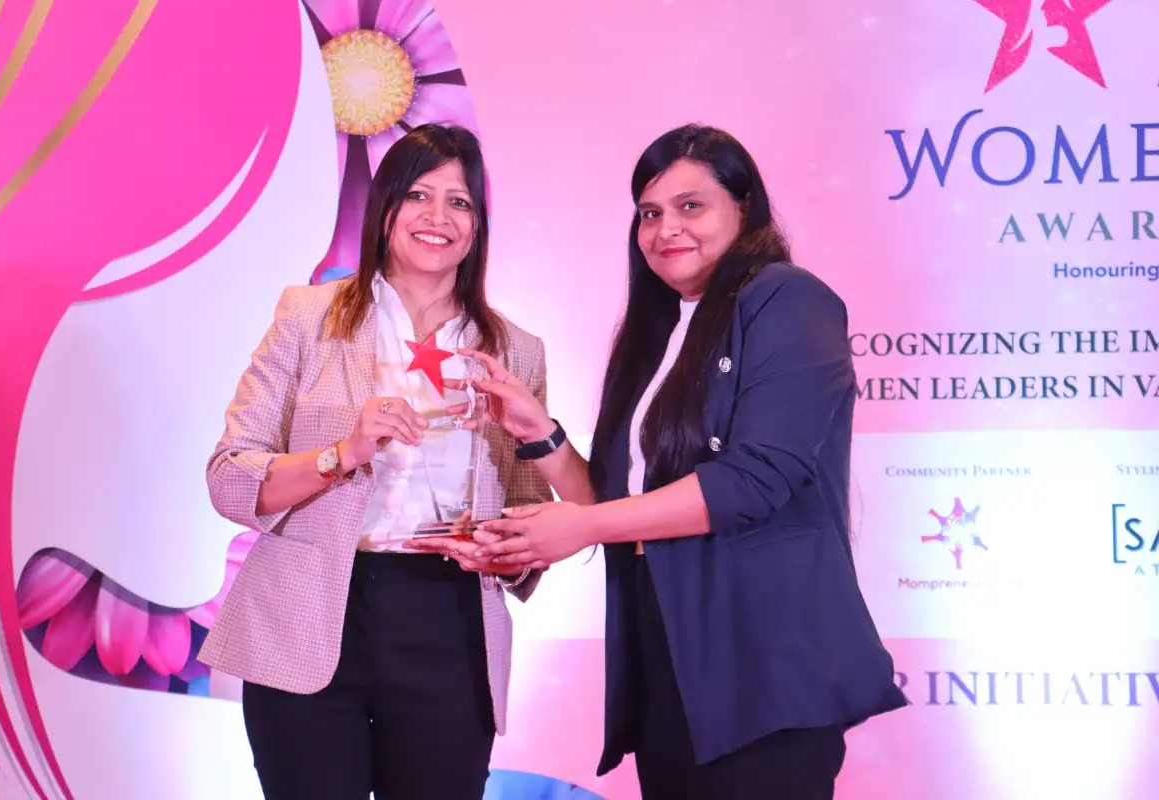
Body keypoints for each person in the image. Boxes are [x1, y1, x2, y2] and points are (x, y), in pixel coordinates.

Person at [440, 125, 908, 799]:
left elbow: (754, 480)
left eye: (691, 206)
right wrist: (539, 433)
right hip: (665, 653)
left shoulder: (788, 299)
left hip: (765, 661)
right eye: (649, 213)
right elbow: (621, 505)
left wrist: (580, 528)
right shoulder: (658, 332)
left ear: (742, 208)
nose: (666, 229)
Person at [198, 123, 551, 800]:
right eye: (418, 194)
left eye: (460, 201)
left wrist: (507, 551)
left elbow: (533, 518)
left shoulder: (517, 350)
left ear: (478, 224)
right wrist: (342, 454)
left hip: (450, 624)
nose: (437, 216)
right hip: (310, 617)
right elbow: (230, 479)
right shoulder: (307, 317)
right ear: (385, 206)